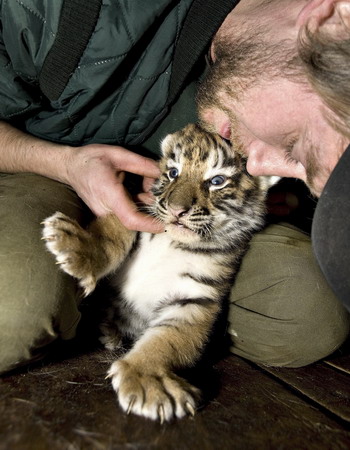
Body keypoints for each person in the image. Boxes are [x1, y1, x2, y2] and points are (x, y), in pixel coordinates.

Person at [0, 0, 348, 375]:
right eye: (296, 145)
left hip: (190, 219)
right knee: (12, 315)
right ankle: (88, 296)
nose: (261, 166)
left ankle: (143, 314)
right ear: (335, 21)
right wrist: (61, 163)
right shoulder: (46, 11)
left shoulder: (263, 121)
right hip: (45, 165)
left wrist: (281, 201)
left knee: (308, 315)